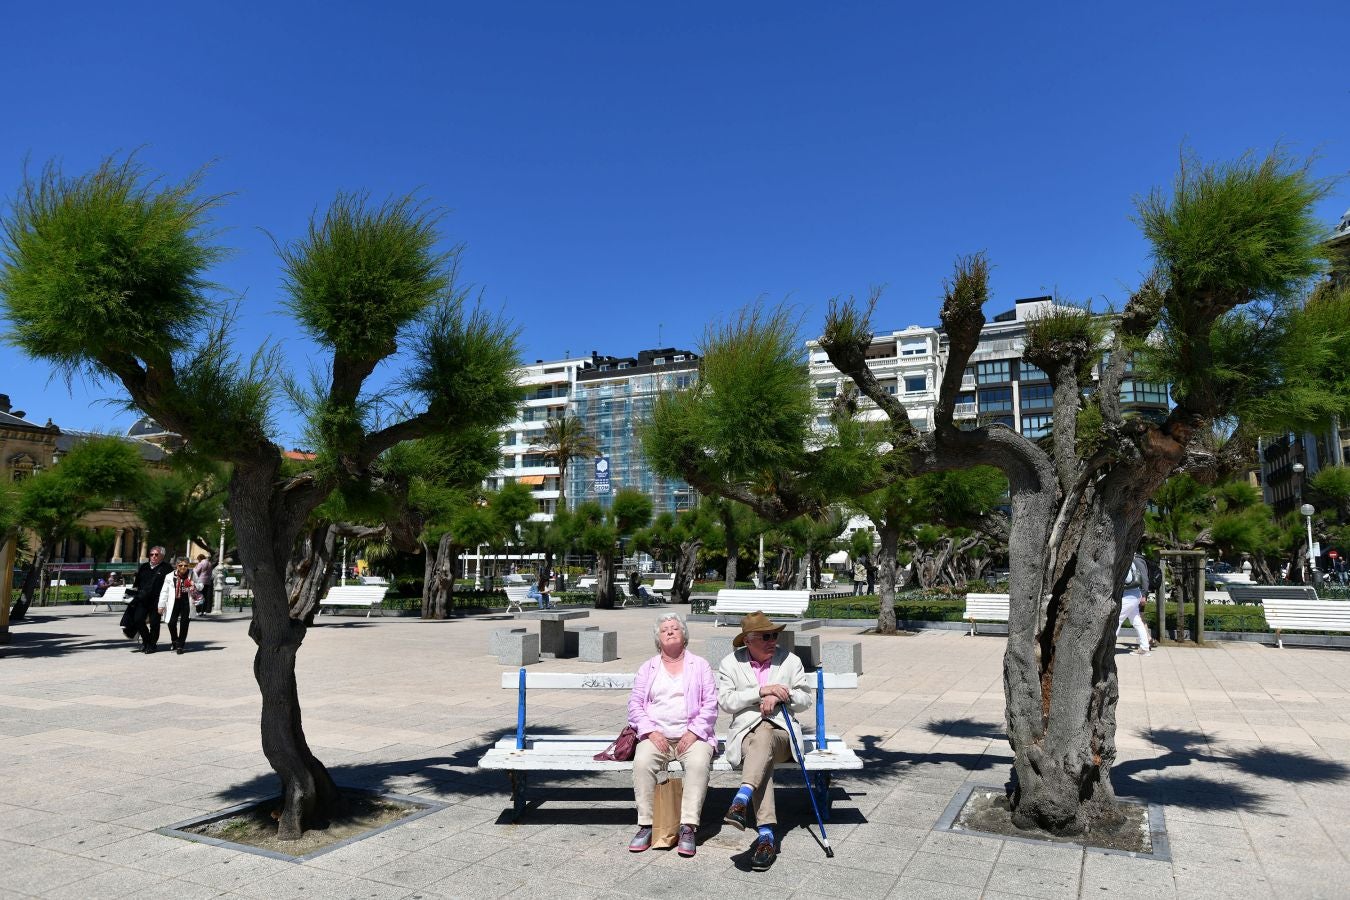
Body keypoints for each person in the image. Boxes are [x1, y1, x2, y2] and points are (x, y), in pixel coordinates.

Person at [717, 611, 811, 871]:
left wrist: (783, 694)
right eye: (766, 636)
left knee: (767, 734)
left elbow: (806, 700)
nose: (773, 641)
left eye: (775, 635)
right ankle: (766, 837)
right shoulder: (730, 663)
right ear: (748, 640)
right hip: (746, 735)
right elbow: (726, 701)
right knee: (762, 752)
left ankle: (742, 799)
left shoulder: (789, 661)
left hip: (783, 734)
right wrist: (761, 691)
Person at [626, 613, 717, 858]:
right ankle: (647, 824)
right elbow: (635, 705)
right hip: (657, 735)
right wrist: (650, 731)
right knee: (643, 762)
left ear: (683, 634)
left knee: (698, 764)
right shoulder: (649, 667)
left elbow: (710, 704)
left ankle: (688, 827)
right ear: (658, 637)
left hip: (693, 736)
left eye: (675, 628)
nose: (669, 631)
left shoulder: (700, 665)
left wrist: (694, 732)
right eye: (665, 629)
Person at [128, 547, 172, 653]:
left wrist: (166, 602)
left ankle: (152, 645)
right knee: (138, 620)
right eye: (151, 554)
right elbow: (137, 583)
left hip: (157, 600)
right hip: (143, 599)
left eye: (156, 554)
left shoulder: (167, 568)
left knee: (154, 623)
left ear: (162, 556)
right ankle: (146, 641)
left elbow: (170, 586)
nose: (153, 556)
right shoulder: (144, 567)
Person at [158, 556, 198, 654]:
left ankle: (180, 645)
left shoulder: (192, 574)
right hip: (173, 602)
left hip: (186, 602)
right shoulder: (170, 576)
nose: (183, 567)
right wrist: (161, 605)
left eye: (185, 565)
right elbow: (164, 591)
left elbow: (200, 585)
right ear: (177, 565)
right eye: (180, 565)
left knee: (184, 623)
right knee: (171, 622)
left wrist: (194, 584)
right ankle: (174, 640)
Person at [1118, 554, 1151, 656]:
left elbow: (1128, 580)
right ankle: (1145, 648)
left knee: (1117, 620)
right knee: (1136, 621)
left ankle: (1108, 648)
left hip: (1128, 597)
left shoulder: (1129, 562)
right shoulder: (1131, 561)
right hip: (1135, 595)